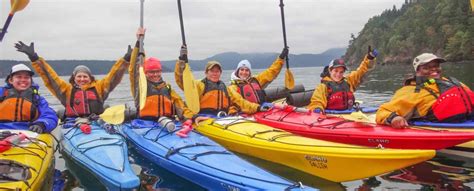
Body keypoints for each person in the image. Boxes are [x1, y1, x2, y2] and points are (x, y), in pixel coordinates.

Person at [15, 41, 131, 118]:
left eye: (85, 76)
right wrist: (34, 58)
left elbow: (114, 75)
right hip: (73, 124)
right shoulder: (66, 90)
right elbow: (50, 76)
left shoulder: (100, 87)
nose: (82, 79)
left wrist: (125, 60)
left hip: (97, 122)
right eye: (79, 76)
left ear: (90, 78)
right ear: (74, 78)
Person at [376, 53, 474, 128]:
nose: (434, 69)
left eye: (436, 66)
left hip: (468, 120)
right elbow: (383, 111)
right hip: (444, 127)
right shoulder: (411, 91)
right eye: (426, 68)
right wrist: (394, 118)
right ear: (417, 70)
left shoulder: (451, 81)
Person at [175, 46, 270, 116]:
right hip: (205, 117)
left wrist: (257, 107)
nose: (214, 73)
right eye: (212, 71)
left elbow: (241, 101)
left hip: (223, 117)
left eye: (217, 71)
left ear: (220, 73)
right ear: (206, 72)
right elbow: (182, 82)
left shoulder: (225, 88)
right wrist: (181, 61)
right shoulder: (199, 85)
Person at [129, 28, 194, 122]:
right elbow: (134, 69)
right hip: (145, 124)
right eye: (151, 72)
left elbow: (180, 105)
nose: (155, 74)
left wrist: (192, 117)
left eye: (158, 71)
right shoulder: (140, 86)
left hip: (168, 123)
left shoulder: (167, 88)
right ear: (145, 73)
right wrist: (139, 42)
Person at [306, 46, 378, 112]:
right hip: (331, 118)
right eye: (336, 71)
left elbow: (361, 71)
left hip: (349, 115)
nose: (338, 74)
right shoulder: (322, 87)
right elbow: (317, 102)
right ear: (330, 70)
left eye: (341, 72)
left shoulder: (349, 81)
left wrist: (369, 58)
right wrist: (317, 109)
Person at [0, 64, 58, 133]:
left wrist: (41, 124)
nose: (23, 80)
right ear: (10, 80)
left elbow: (49, 115)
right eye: (19, 77)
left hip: (28, 132)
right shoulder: (1, 94)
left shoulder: (37, 99)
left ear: (31, 81)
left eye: (26, 77)